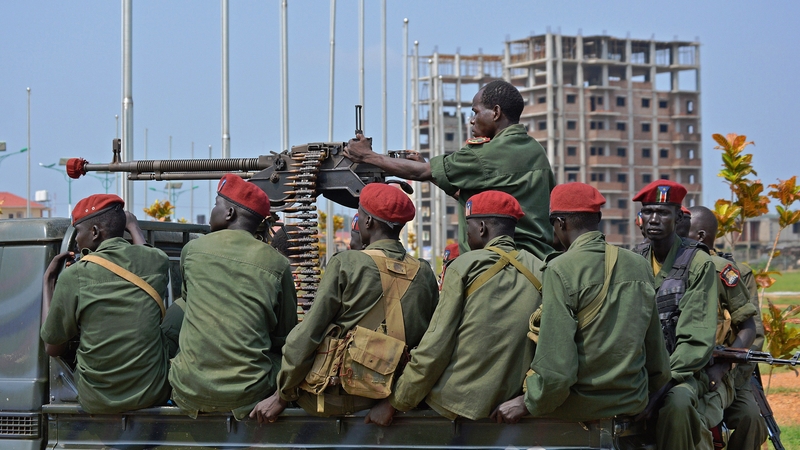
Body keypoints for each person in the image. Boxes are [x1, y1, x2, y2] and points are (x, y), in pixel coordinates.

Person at [251, 182, 439, 423]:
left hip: (337, 396)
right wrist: (397, 400)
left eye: (360, 215)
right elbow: (429, 344)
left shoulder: (347, 263)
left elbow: (308, 334)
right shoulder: (424, 272)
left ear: (368, 223)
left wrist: (282, 394)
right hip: (390, 395)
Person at [491, 183, 671, 423]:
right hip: (631, 402)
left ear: (560, 223)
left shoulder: (560, 268)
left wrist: (528, 402)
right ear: (598, 217)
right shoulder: (638, 264)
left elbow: (557, 371)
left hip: (578, 406)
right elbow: (657, 359)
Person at [364, 191, 545, 425]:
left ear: (481, 227)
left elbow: (435, 347)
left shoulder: (464, 266)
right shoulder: (540, 269)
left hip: (454, 404)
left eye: (467, 226)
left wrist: (397, 401)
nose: (466, 233)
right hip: (511, 404)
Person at [343, 79, 555, 260]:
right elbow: (476, 197)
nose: (472, 120)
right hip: (537, 261)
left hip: (501, 263)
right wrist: (430, 169)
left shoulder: (486, 153)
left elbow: (420, 173)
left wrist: (367, 156)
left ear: (496, 112)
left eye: (476, 112)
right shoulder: (535, 151)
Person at [168, 174, 298, 420]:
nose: (212, 211)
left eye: (216, 204)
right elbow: (284, 335)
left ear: (229, 213)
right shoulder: (277, 263)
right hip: (249, 394)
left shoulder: (192, 251)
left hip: (189, 390)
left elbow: (187, 299)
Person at [40, 194, 171, 413]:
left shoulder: (75, 276)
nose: (77, 241)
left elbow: (53, 347)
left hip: (97, 399)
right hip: (152, 393)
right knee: (178, 311)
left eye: (78, 232)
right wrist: (132, 225)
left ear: (94, 232)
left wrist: (49, 282)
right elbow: (147, 252)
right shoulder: (157, 261)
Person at [631, 180, 719, 450]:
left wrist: (659, 391)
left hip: (683, 373)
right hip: (638, 370)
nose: (654, 219)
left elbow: (696, 340)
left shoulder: (698, 263)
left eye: (663, 212)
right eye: (648, 212)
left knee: (677, 404)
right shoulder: (631, 260)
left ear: (679, 217)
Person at [687, 206, 767, 450]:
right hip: (689, 372)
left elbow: (755, 333)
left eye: (684, 231)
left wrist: (726, 370)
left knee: (751, 418)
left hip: (729, 372)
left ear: (700, 236)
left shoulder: (736, 273)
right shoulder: (675, 268)